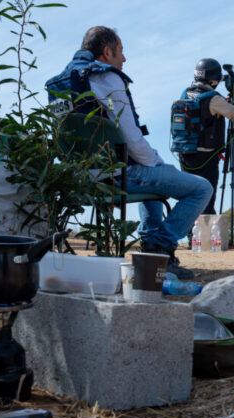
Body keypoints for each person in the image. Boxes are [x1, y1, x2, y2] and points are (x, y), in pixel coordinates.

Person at [45, 26, 212, 279]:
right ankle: (159, 246)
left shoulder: (57, 84)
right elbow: (132, 139)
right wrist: (156, 162)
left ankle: (154, 250)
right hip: (113, 174)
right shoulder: (106, 77)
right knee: (201, 188)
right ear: (107, 51)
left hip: (77, 178)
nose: (124, 58)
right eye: (121, 51)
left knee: (153, 174)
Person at [178, 58, 234, 215]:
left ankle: (191, 235)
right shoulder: (214, 98)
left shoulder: (185, 93)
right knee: (206, 198)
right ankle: (205, 236)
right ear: (212, 79)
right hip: (206, 157)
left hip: (185, 153)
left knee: (189, 196)